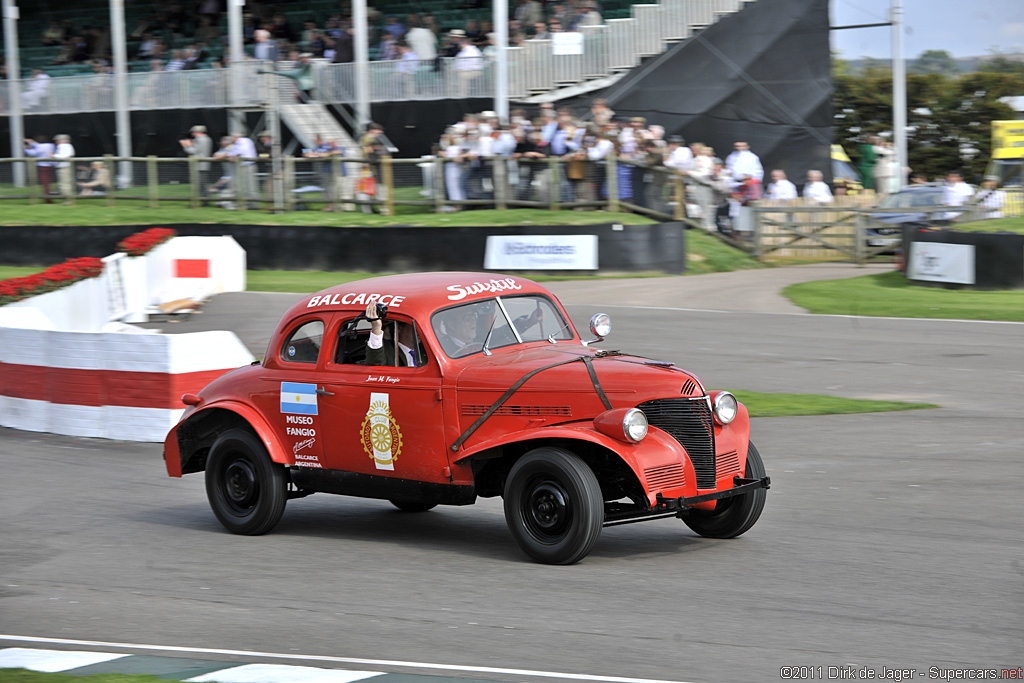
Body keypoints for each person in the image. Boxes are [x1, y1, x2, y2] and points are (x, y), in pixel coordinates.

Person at [364, 302, 420, 367]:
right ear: (399, 328)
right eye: (414, 327)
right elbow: (375, 364)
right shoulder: (387, 350)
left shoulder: (425, 348)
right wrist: (376, 328)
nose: (419, 331)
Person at [181, 124, 214, 198]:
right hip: (204, 164)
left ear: (197, 132)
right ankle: (204, 200)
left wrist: (186, 146)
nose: (192, 133)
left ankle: (205, 201)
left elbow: (194, 151)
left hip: (200, 165)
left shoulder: (199, 139)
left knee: (201, 185)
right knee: (202, 184)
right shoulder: (207, 139)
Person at [24, 136, 56, 202]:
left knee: (45, 183)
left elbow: (33, 153)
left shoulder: (39, 147)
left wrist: (25, 148)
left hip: (43, 167)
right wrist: (32, 142)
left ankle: (48, 199)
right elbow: (38, 146)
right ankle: (49, 197)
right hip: (51, 165)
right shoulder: (51, 145)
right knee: (49, 182)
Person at [452, 32, 483, 97]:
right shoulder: (463, 51)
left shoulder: (473, 51)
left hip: (473, 71)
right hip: (465, 70)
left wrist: (462, 69)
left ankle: (462, 94)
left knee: (462, 76)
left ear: (464, 44)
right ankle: (453, 93)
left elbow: (473, 63)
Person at [52, 134, 76, 203]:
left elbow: (64, 156)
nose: (56, 142)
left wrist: (54, 155)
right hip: (64, 166)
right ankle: (67, 199)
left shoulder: (63, 146)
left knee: (64, 184)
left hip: (64, 166)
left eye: (57, 140)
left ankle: (68, 200)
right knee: (64, 183)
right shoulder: (67, 146)